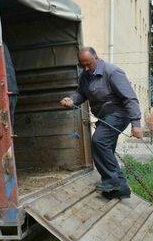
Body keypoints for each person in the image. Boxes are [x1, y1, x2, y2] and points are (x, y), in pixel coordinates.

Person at [60, 47, 143, 199]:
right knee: (106, 149)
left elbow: (129, 98)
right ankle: (121, 188)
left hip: (118, 114)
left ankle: (112, 181)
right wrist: (71, 99)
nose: (85, 68)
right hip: (105, 117)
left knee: (99, 140)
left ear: (96, 58)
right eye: (82, 65)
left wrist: (136, 124)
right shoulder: (85, 75)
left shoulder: (112, 72)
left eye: (88, 64)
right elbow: (81, 93)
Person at [3, 43, 19, 131]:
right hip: (12, 89)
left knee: (6, 126)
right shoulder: (3, 45)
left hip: (8, 89)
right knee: (9, 124)